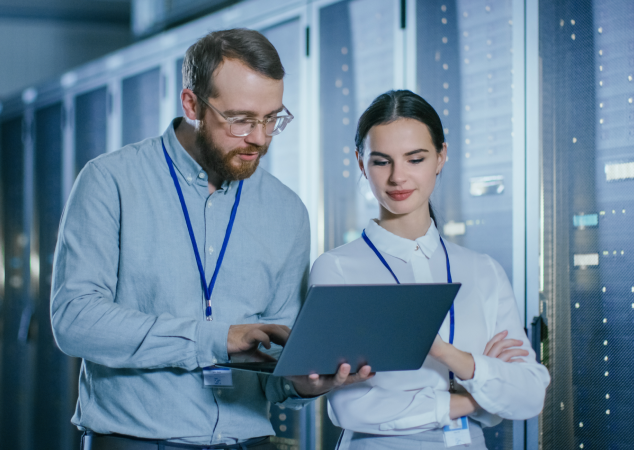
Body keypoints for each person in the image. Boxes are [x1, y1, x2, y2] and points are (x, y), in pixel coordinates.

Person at [51, 29, 371, 450]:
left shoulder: (287, 210)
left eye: (272, 118)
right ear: (192, 104)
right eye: (241, 120)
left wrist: (301, 384)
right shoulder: (110, 181)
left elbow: (277, 359)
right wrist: (215, 339)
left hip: (250, 441)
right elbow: (75, 321)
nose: (259, 137)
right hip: (136, 441)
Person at [309, 90, 551, 449]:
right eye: (381, 161)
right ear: (362, 164)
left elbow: (530, 394)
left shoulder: (483, 271)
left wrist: (444, 352)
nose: (398, 177)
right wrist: (474, 396)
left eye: (415, 159)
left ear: (441, 157)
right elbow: (351, 406)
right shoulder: (338, 269)